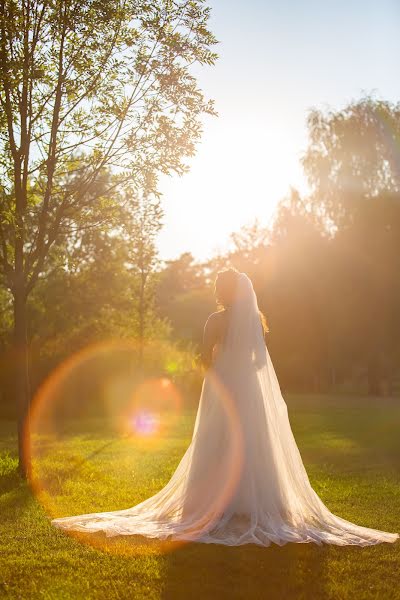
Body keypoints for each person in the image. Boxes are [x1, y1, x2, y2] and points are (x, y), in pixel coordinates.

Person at [52, 269, 398, 546]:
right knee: (252, 440)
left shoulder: (214, 321)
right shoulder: (254, 320)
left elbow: (205, 358)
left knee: (216, 439)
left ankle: (214, 500)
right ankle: (251, 502)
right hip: (247, 390)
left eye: (219, 284)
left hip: (222, 389)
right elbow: (260, 364)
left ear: (226, 289)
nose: (216, 288)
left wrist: (208, 365)